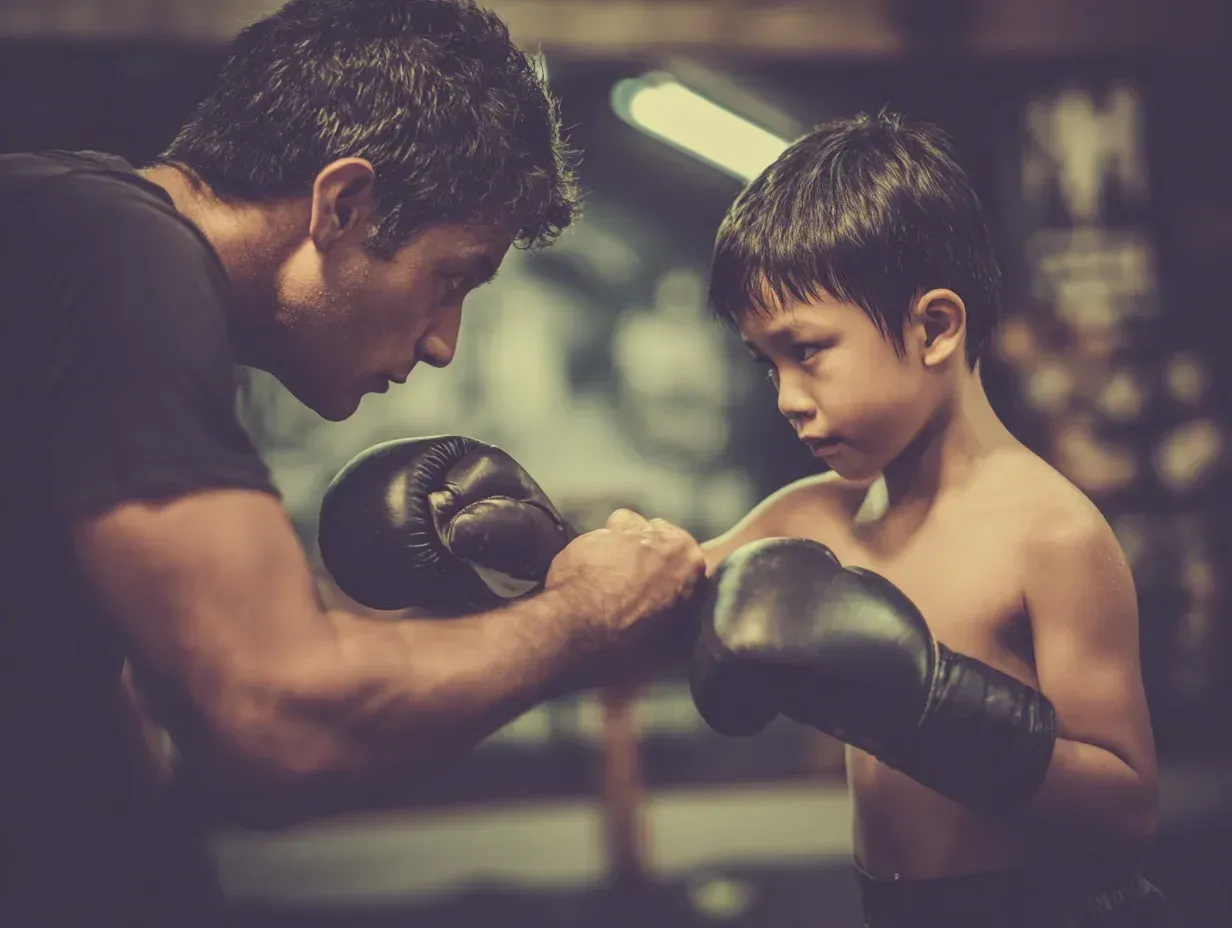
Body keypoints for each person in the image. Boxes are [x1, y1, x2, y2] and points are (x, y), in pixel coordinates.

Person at [0, 2, 705, 926]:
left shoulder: (60, 230)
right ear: (343, 204)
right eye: (453, 278)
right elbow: (276, 722)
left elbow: (198, 737)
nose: (446, 344)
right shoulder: (125, 257)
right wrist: (589, 619)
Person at [690, 112, 1168, 926]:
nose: (787, 398)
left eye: (806, 350)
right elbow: (649, 599)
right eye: (765, 362)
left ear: (935, 327)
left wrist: (926, 708)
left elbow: (1127, 809)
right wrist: (528, 550)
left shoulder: (1051, 535)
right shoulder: (811, 519)